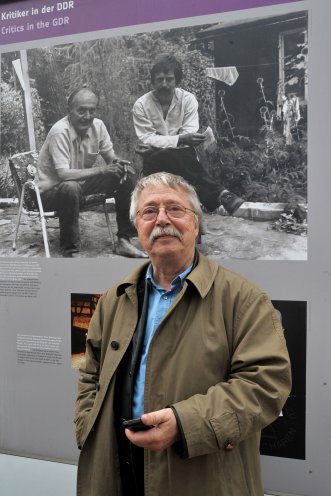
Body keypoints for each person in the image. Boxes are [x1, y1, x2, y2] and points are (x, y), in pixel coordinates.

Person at [75, 171, 291, 496]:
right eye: (149, 211)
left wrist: (184, 425)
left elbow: (265, 385)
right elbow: (90, 374)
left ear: (196, 223)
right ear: (137, 226)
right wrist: (87, 427)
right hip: (116, 471)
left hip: (200, 476)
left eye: (175, 209)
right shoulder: (114, 300)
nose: (162, 219)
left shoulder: (243, 299)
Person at [36, 87, 146, 258]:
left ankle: (124, 240)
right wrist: (102, 170)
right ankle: (70, 250)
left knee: (126, 176)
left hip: (79, 186)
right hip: (48, 195)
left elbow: (110, 157)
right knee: (70, 187)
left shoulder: (98, 126)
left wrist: (118, 164)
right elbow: (64, 175)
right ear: (69, 111)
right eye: (81, 111)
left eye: (91, 110)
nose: (87, 116)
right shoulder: (60, 132)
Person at [132, 53, 244, 215]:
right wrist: (179, 139)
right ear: (153, 81)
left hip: (180, 157)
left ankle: (218, 195)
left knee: (178, 153)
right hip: (155, 163)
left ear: (177, 80)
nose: (164, 84)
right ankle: (221, 194)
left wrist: (169, 142)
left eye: (169, 79)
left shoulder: (188, 100)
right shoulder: (141, 105)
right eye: (159, 79)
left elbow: (188, 133)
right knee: (172, 154)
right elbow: (147, 138)